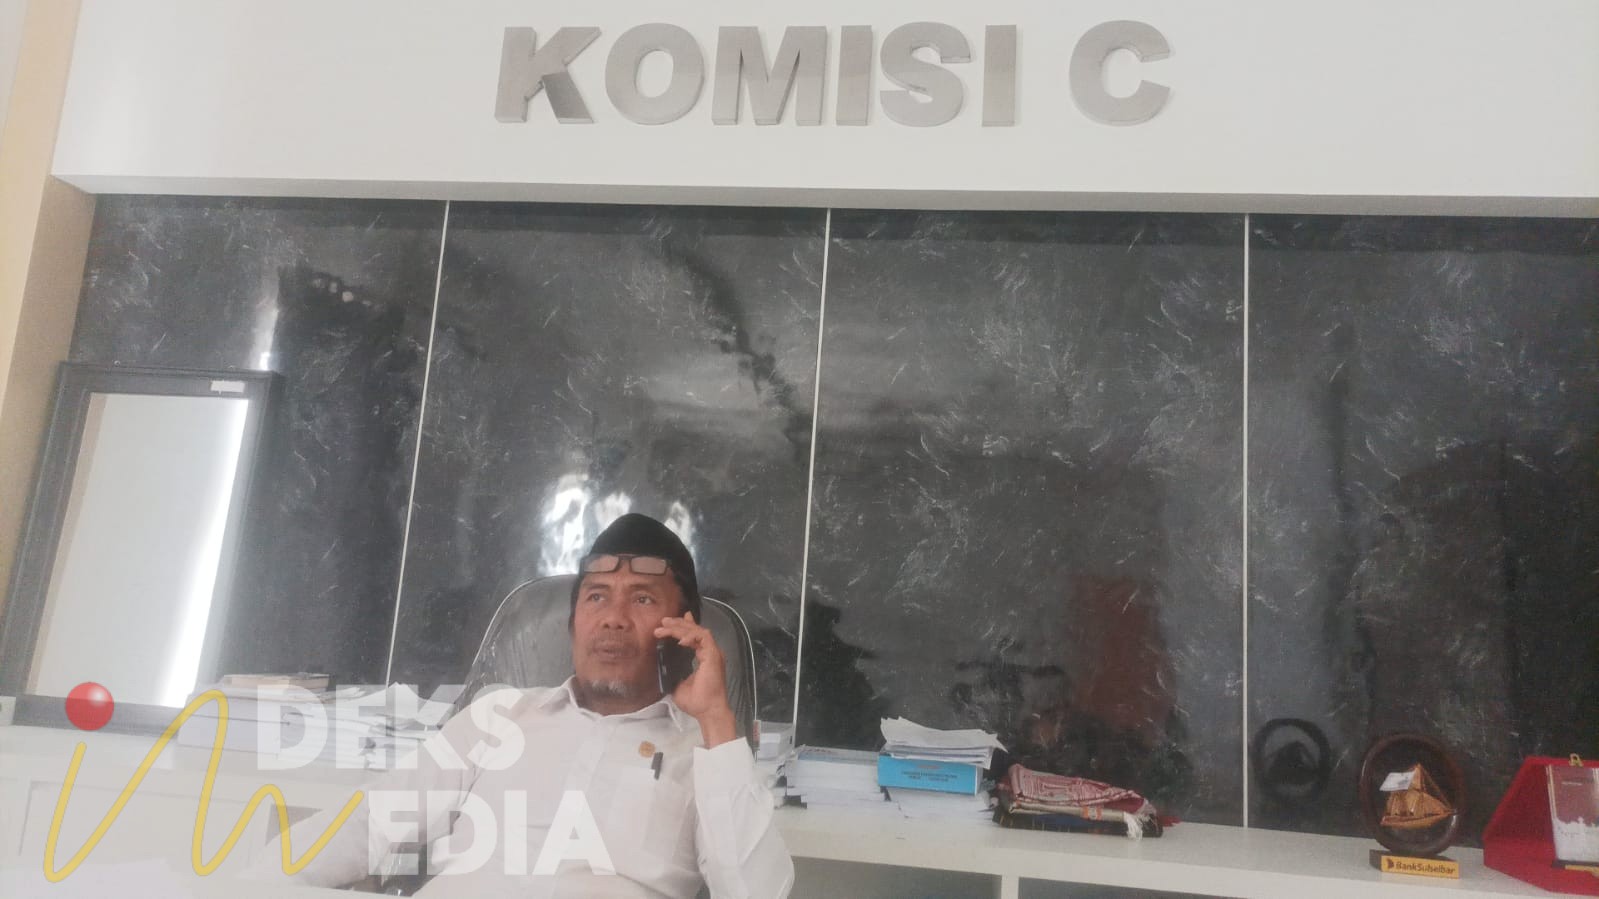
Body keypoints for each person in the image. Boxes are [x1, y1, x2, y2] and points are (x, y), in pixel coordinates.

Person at [248, 513, 794, 898]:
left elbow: (756, 892)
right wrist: (249, 886)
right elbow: (369, 823)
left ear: (682, 629)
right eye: (597, 596)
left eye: (643, 598)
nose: (613, 618)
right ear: (573, 622)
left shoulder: (704, 753)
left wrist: (716, 721)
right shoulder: (499, 717)